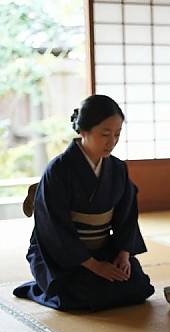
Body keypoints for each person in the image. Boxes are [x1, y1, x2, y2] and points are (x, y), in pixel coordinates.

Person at [13, 95, 154, 311]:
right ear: (84, 131)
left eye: (117, 135)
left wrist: (123, 255)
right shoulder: (58, 170)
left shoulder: (117, 169)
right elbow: (54, 230)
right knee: (79, 298)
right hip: (61, 255)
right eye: (105, 134)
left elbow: (126, 216)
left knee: (139, 288)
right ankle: (37, 289)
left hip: (102, 248)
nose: (112, 142)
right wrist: (95, 266)